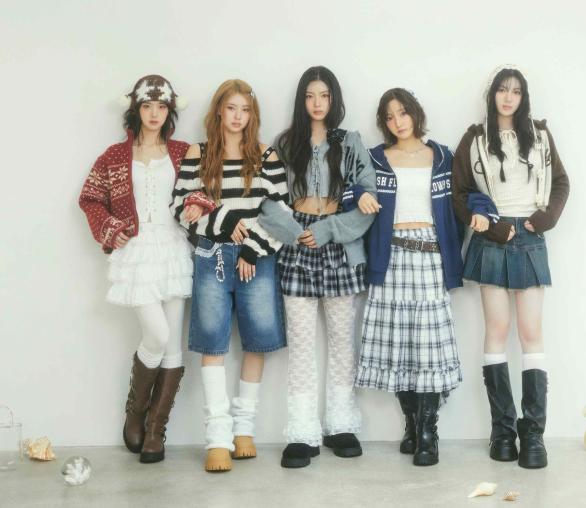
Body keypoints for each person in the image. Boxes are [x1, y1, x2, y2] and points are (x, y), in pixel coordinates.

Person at [258, 65, 378, 468]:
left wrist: (328, 230)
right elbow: (266, 199)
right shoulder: (284, 143)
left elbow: (369, 200)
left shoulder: (350, 142)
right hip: (297, 245)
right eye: (310, 96)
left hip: (340, 245)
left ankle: (341, 425)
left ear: (334, 99)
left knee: (343, 341)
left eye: (324, 95)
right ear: (301, 100)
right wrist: (295, 232)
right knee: (302, 343)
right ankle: (302, 431)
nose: (317, 103)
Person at [452, 65, 570, 469]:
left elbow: (561, 183)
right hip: (493, 237)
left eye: (515, 91)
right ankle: (502, 432)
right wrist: (488, 225)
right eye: (502, 90)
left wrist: (545, 219)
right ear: (492, 95)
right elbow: (459, 194)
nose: (508, 97)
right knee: (497, 331)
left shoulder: (540, 135)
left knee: (531, 333)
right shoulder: (474, 138)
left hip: (531, 236)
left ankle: (533, 435)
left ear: (523, 97)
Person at [170, 79, 287, 472]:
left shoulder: (266, 156)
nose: (238, 116)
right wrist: (223, 220)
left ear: (252, 114)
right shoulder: (198, 153)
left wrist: (253, 248)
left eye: (245, 110)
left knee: (257, 340)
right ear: (219, 109)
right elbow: (181, 207)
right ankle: (217, 437)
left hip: (258, 258)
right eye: (231, 108)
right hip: (212, 256)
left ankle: (244, 430)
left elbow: (280, 213)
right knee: (213, 343)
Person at [79, 75, 191, 463]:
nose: (154, 113)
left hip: (174, 249)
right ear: (136, 109)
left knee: (173, 344)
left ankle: (156, 430)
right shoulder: (114, 156)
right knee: (156, 335)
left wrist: (198, 207)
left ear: (169, 110)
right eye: (147, 106)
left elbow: (201, 192)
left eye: (161, 106)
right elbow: (90, 198)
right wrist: (111, 227)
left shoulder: (184, 152)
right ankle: (135, 411)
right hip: (138, 251)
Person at [355, 88, 464, 466]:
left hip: (431, 255)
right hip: (390, 256)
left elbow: (465, 197)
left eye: (403, 113)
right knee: (399, 343)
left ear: (415, 113)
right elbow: (350, 190)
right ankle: (413, 424)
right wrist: (359, 195)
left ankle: (429, 431)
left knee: (429, 346)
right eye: (389, 116)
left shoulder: (443, 156)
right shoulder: (375, 158)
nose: (398, 122)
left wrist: (484, 212)